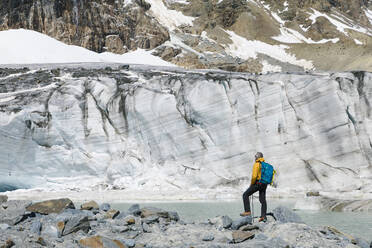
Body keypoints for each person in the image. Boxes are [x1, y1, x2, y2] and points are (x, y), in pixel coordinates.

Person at [240, 152, 268, 222]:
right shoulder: (265, 164)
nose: (254, 158)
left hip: (258, 183)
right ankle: (263, 216)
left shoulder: (257, 164)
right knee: (262, 200)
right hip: (264, 184)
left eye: (255, 157)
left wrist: (251, 184)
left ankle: (247, 211)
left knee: (245, 195)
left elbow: (254, 176)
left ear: (257, 157)